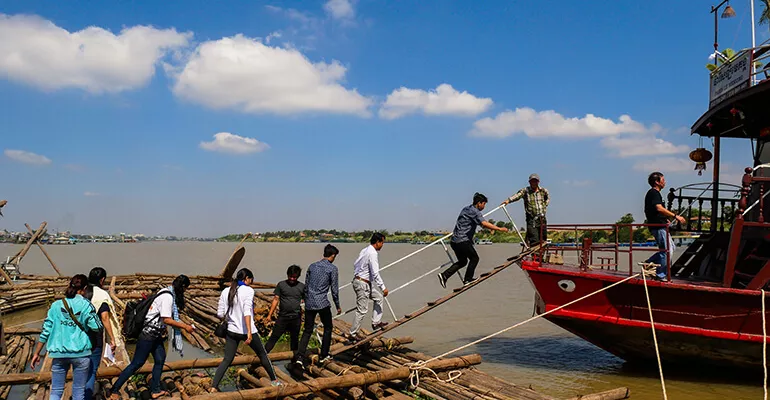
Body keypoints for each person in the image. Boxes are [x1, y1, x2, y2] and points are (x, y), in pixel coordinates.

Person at [108, 275, 195, 400]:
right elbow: (167, 319)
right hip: (148, 335)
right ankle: (114, 389)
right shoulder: (168, 297)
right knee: (137, 363)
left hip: (156, 335)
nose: (185, 291)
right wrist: (185, 326)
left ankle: (155, 390)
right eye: (186, 288)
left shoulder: (165, 291)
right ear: (182, 287)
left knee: (160, 359)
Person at [31, 275, 103, 400]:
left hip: (59, 354)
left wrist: (36, 353)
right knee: (78, 392)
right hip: (81, 354)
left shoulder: (56, 305)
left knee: (56, 391)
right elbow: (97, 327)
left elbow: (46, 330)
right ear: (85, 288)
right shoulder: (86, 305)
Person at [210, 268, 280, 392]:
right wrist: (248, 332)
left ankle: (214, 387)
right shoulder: (248, 291)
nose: (251, 283)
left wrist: (232, 317)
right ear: (246, 278)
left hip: (231, 331)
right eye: (251, 280)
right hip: (247, 331)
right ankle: (275, 381)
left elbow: (220, 314)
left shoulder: (226, 291)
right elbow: (247, 312)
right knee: (263, 354)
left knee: (227, 360)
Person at [439, 193, 508, 289]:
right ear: (479, 203)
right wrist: (499, 229)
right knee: (474, 258)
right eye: (484, 204)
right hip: (462, 240)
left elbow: (479, 224)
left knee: (463, 261)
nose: (484, 207)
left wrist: (489, 228)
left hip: (454, 241)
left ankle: (444, 275)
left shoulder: (466, 209)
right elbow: (484, 223)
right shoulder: (475, 211)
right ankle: (467, 279)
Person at [295, 244, 341, 366]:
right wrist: (338, 306)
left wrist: (305, 299)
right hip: (322, 303)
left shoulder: (312, 266)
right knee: (328, 328)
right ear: (332, 255)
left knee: (307, 330)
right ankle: (324, 355)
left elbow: (306, 284)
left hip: (310, 302)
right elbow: (335, 290)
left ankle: (299, 356)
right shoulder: (332, 269)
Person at [642, 172, 686, 281]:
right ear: (657, 182)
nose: (664, 182)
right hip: (658, 227)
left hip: (660, 225)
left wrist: (665, 219)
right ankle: (660, 274)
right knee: (666, 251)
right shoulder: (653, 193)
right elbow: (659, 208)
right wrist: (676, 216)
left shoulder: (655, 194)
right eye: (663, 179)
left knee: (670, 249)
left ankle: (649, 263)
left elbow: (656, 211)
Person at [84, 267, 118, 400]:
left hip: (78, 337)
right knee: (91, 370)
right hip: (94, 337)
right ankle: (86, 396)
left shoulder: (82, 292)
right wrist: (112, 339)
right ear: (102, 280)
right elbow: (105, 318)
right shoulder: (102, 295)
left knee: (81, 369)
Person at [349, 233, 389, 340]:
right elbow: (375, 273)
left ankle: (376, 322)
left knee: (378, 298)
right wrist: (383, 287)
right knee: (362, 310)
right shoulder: (372, 253)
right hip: (363, 283)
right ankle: (353, 333)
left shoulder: (365, 250)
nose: (382, 245)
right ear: (377, 242)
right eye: (382, 243)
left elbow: (355, 264)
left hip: (362, 282)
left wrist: (359, 274)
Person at [264, 265, 305, 353]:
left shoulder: (302, 286)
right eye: (291, 276)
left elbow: (305, 301)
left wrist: (303, 312)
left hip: (295, 317)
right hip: (283, 317)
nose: (292, 279)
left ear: (298, 277)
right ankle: (262, 357)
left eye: (294, 277)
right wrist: (269, 315)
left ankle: (294, 361)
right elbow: (276, 299)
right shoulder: (281, 285)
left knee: (294, 340)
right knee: (274, 337)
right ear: (287, 275)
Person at [502, 173, 550, 246]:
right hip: (532, 218)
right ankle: (535, 256)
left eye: (535, 181)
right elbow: (517, 196)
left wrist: (544, 206)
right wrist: (508, 201)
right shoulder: (526, 191)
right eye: (532, 181)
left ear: (538, 182)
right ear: (529, 182)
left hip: (542, 218)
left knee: (543, 238)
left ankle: (541, 255)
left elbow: (547, 199)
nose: (534, 183)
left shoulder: (543, 191)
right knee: (534, 239)